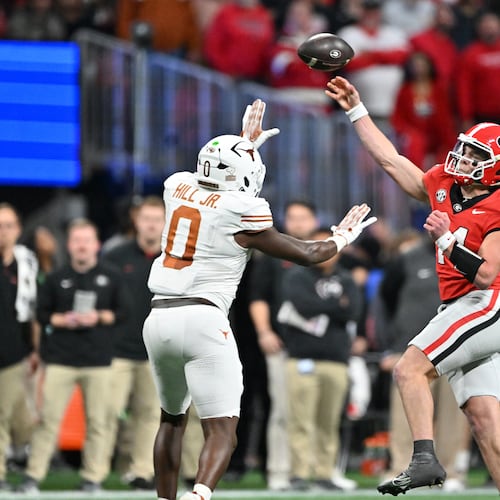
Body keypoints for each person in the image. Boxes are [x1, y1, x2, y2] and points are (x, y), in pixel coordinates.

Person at [141, 98, 376, 500]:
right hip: (203, 319)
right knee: (222, 431)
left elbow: (214, 182)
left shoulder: (176, 186)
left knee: (172, 419)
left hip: (158, 317)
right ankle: (198, 496)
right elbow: (307, 254)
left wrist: (243, 146)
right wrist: (341, 237)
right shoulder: (243, 209)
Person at [326, 75, 500, 494]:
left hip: (487, 302)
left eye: (474, 153)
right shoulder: (443, 183)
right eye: (462, 148)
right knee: (484, 421)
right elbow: (391, 160)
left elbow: (488, 274)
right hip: (462, 304)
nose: (460, 158)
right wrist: (356, 110)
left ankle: (424, 459)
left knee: (409, 369)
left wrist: (444, 240)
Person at [17, 218, 131, 494]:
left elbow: (125, 312)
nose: (82, 246)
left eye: (86, 240)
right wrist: (60, 320)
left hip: (99, 360)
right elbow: (41, 315)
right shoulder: (56, 278)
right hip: (60, 360)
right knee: (47, 420)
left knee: (99, 422)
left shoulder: (112, 276)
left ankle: (93, 478)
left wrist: (100, 316)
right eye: (77, 240)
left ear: (97, 245)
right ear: (69, 245)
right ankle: (33, 476)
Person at [375, 230, 470, 492]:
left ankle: (451, 473)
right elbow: (383, 302)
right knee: (406, 414)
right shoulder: (407, 259)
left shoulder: (467, 256)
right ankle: (402, 469)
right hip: (412, 352)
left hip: (454, 349)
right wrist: (390, 347)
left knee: (454, 415)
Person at [278, 226, 363, 491]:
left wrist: (327, 308)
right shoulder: (296, 276)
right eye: (318, 245)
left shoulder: (347, 278)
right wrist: (337, 306)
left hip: (337, 359)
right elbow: (302, 305)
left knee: (329, 421)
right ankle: (299, 474)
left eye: (329, 246)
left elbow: (354, 313)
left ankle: (326, 473)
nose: (324, 252)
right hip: (301, 358)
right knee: (300, 420)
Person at [248, 199, 319, 491]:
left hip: (318, 347)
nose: (299, 223)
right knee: (282, 410)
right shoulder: (273, 254)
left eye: (304, 217)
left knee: (313, 411)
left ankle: (310, 471)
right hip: (283, 346)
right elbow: (258, 297)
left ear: (313, 221)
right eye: (293, 217)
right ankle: (279, 472)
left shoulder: (324, 251)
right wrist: (264, 332)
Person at [102, 196, 165, 489]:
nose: (151, 224)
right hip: (118, 350)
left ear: (166, 222)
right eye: (146, 218)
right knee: (106, 413)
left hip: (157, 351)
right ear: (136, 221)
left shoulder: (175, 258)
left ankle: (142, 472)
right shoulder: (115, 257)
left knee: (150, 415)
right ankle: (96, 474)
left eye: (157, 218)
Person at [0, 203, 39, 492]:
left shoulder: (26, 262)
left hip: (13, 353)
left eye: (9, 225)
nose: (4, 232)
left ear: (19, 230)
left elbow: (32, 311)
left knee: (13, 417)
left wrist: (35, 349)